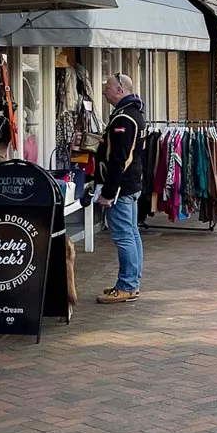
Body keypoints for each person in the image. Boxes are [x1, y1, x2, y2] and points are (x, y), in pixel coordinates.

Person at [93, 73, 145, 303]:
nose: (104, 91)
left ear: (121, 89)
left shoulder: (124, 118)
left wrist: (107, 193)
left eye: (108, 87)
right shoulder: (132, 114)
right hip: (131, 185)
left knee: (124, 236)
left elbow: (120, 158)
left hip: (122, 188)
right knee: (132, 234)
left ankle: (127, 285)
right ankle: (132, 281)